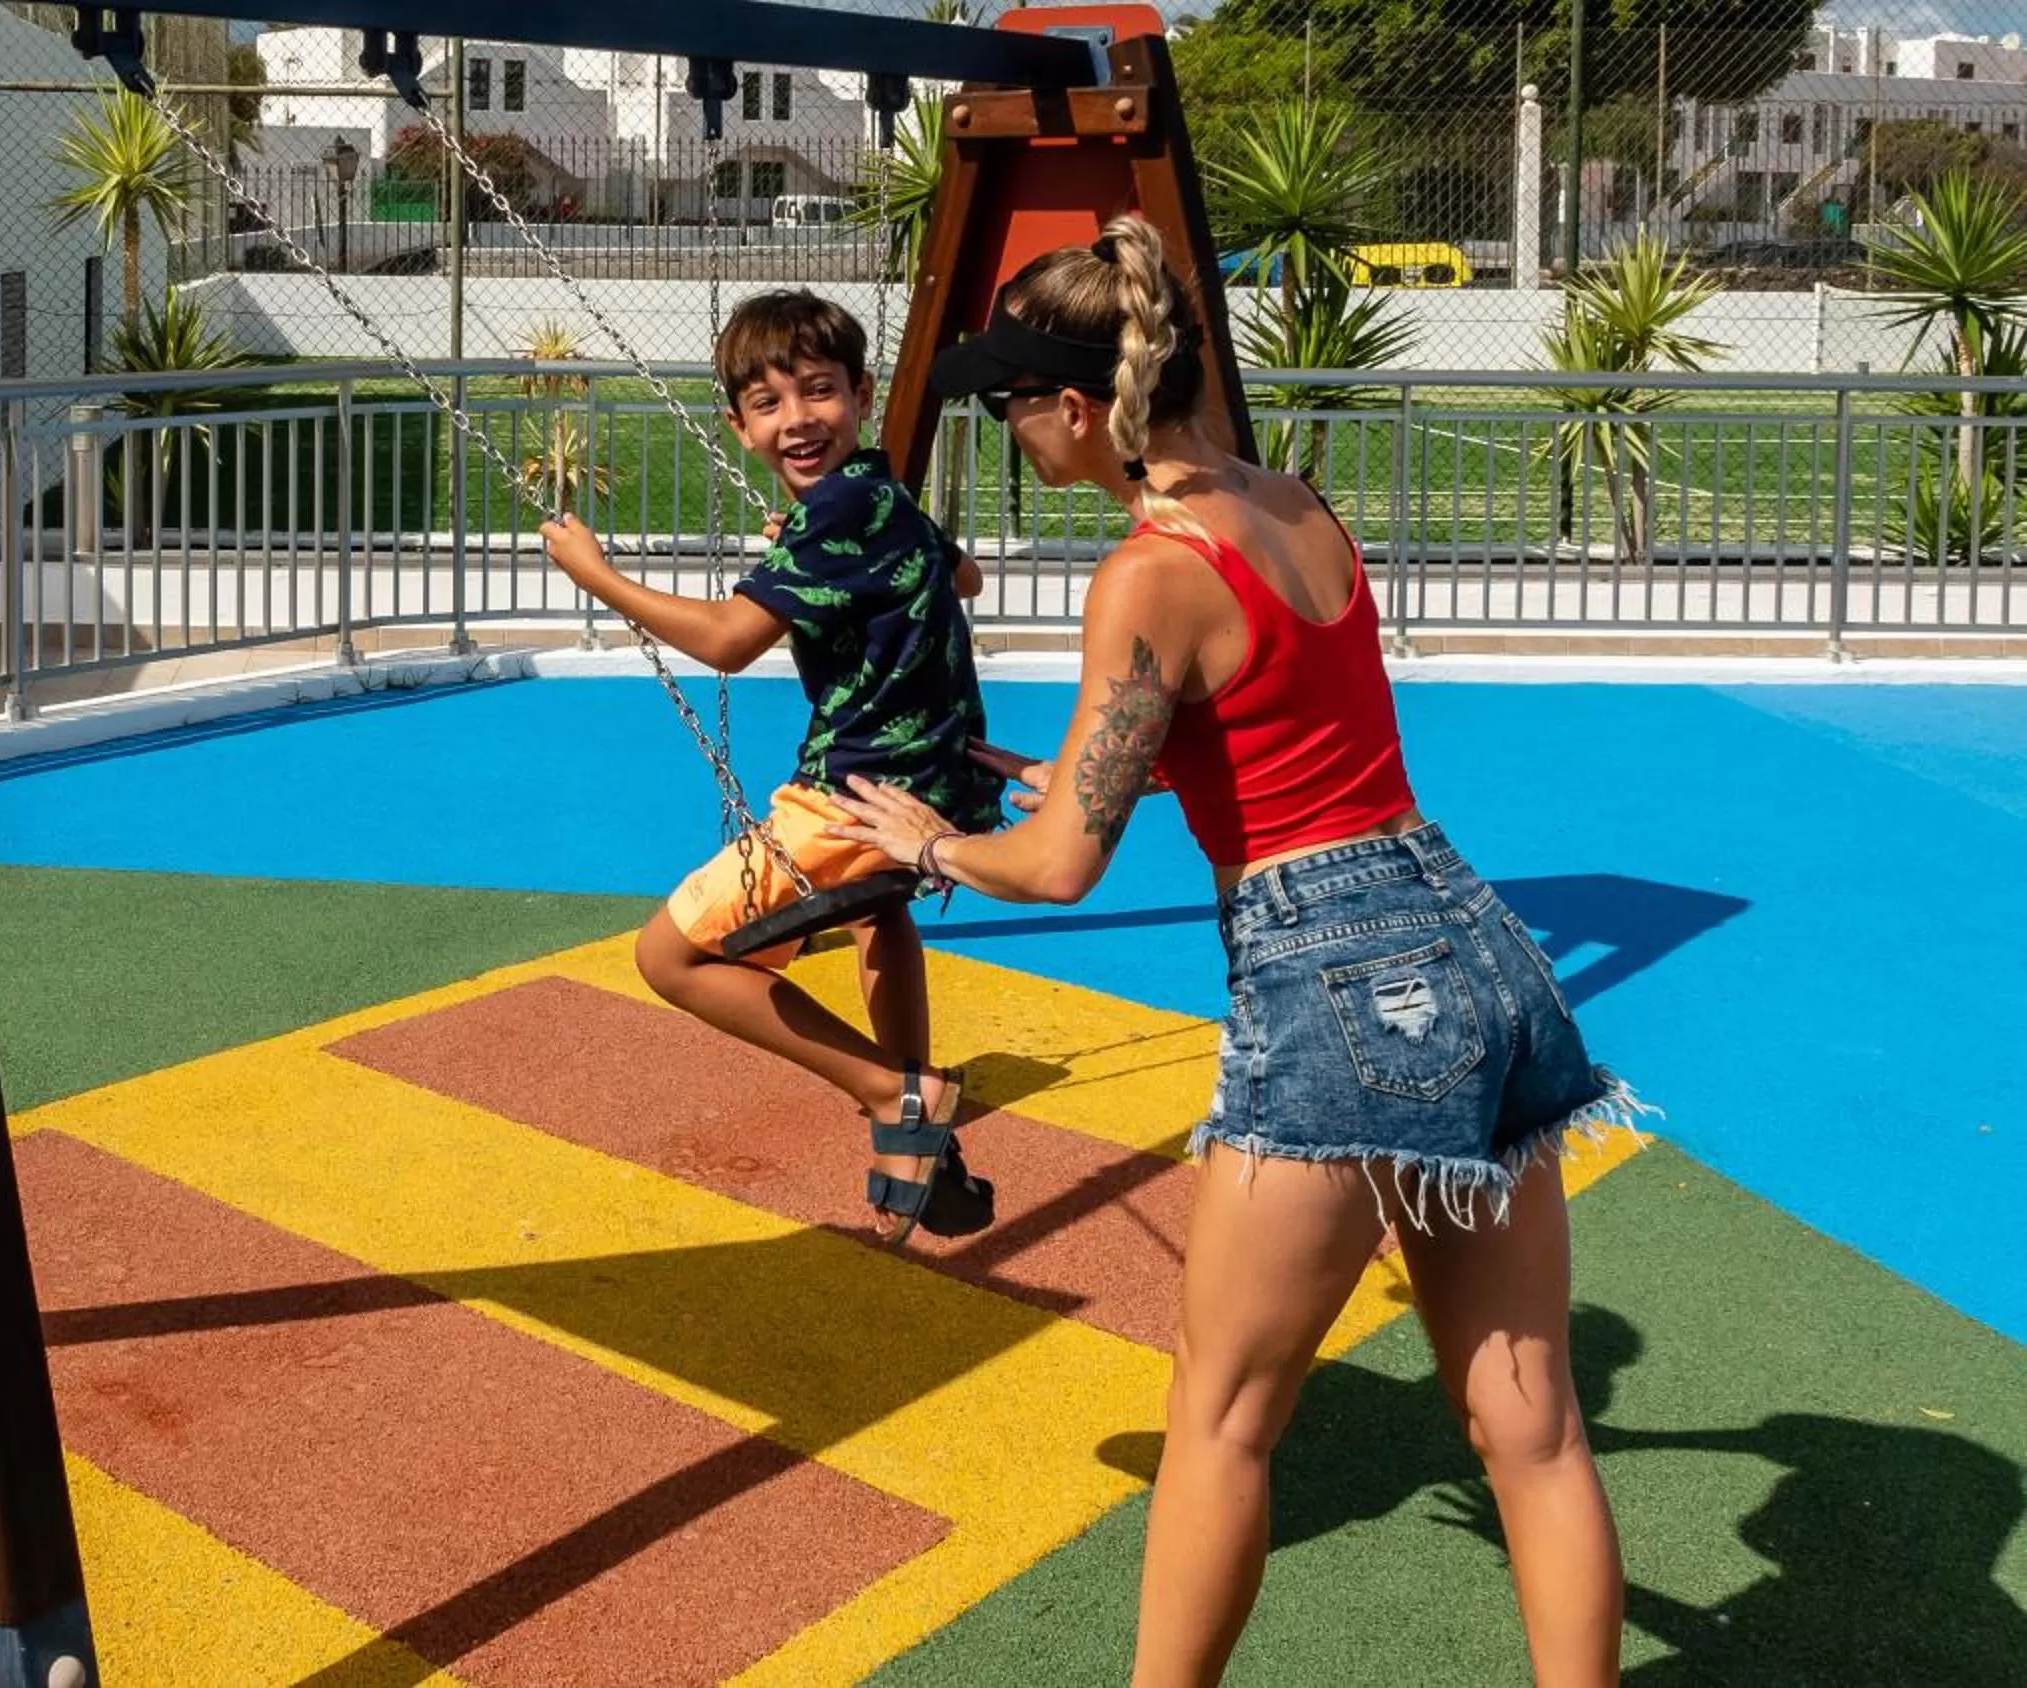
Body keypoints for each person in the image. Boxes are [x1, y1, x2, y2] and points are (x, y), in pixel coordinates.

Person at [824, 216, 1649, 1687]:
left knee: (1218, 1416)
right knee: (1532, 1427)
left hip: (1333, 977)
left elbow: (1064, 867)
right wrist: (1104, 761)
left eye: (1013, 402)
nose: (1009, 431)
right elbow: (1279, 724)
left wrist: (929, 845)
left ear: (1080, 406)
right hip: (1473, 939)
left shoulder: (1148, 570)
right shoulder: (1292, 503)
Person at [537, 289, 1004, 1245]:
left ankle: (896, 1093)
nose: (797, 419)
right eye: (769, 403)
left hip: (857, 792)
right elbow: (965, 578)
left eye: (819, 392)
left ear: (863, 394)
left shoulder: (835, 510)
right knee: (883, 923)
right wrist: (818, 561)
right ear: (740, 426)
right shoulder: (878, 493)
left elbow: (727, 643)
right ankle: (915, 1145)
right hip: (937, 783)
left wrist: (598, 576)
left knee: (670, 956)